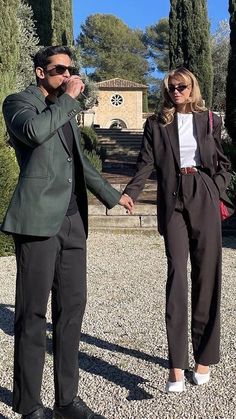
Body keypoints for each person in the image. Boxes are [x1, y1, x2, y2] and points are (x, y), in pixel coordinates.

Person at [1, 45, 133, 419]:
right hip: (38, 220)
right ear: (41, 72)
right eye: (60, 69)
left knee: (71, 310)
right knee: (31, 314)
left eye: (71, 70)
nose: (68, 75)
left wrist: (112, 195)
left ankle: (66, 401)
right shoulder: (18, 103)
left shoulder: (65, 112)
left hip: (73, 221)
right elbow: (33, 133)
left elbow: (82, 165)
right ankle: (29, 405)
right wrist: (70, 100)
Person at [123, 67, 234, 392]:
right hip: (172, 199)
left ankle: (203, 359)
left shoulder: (209, 119)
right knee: (177, 276)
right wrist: (131, 192)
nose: (176, 91)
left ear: (192, 87)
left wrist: (216, 187)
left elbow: (223, 163)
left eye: (182, 86)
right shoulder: (156, 124)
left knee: (207, 275)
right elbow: (145, 162)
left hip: (203, 191)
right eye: (171, 87)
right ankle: (175, 365)